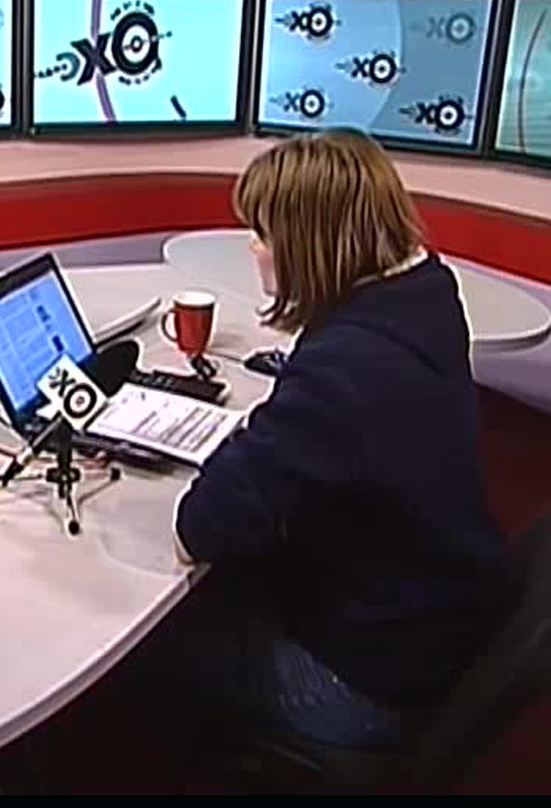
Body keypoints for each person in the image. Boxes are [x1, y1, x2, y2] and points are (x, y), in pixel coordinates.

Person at [149, 129, 519, 753]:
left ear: (309, 242)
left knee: (153, 640)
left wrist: (262, 435)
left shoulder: (343, 370)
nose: (253, 246)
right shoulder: (426, 293)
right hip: (439, 621)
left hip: (365, 682)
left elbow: (200, 528)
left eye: (263, 233)